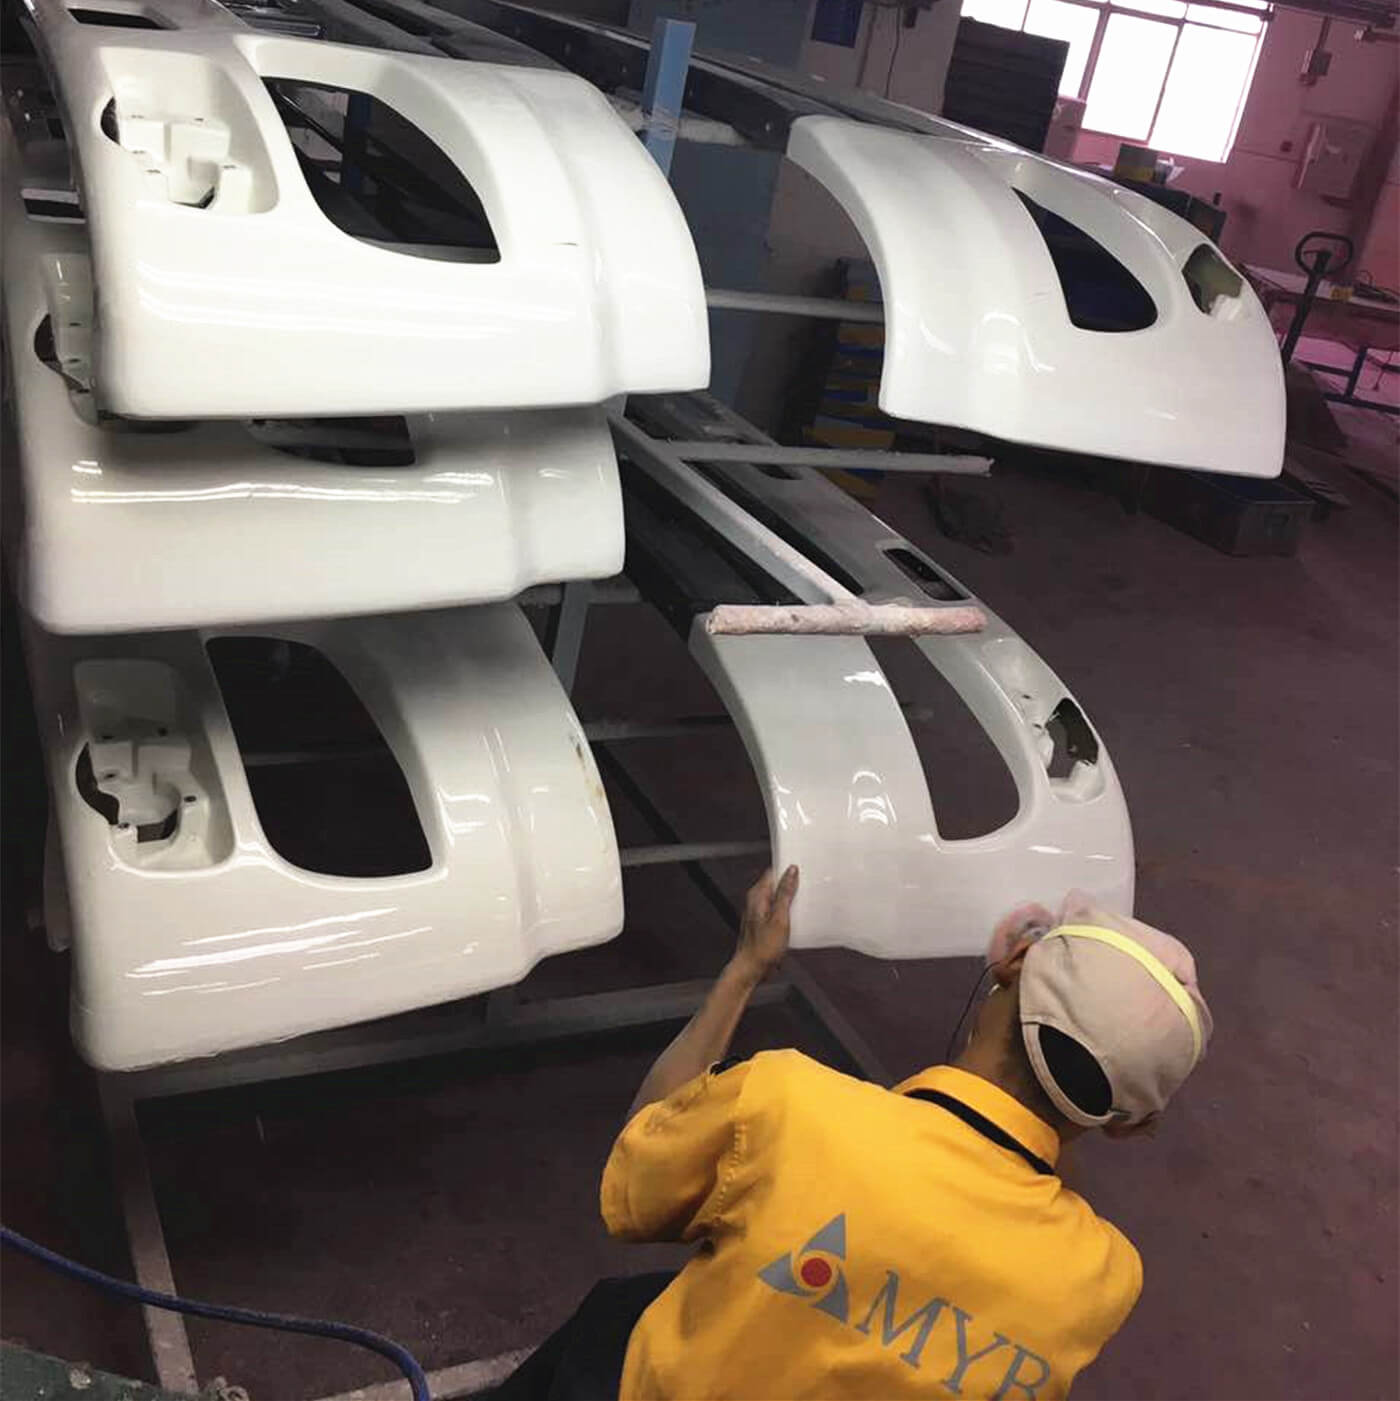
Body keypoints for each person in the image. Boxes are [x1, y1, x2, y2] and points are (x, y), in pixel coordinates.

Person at [493, 865, 1212, 1401]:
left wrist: (745, 968)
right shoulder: (1101, 1279)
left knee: (619, 1320)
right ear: (1133, 1126)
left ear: (1013, 962)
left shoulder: (791, 1105)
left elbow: (636, 1168)